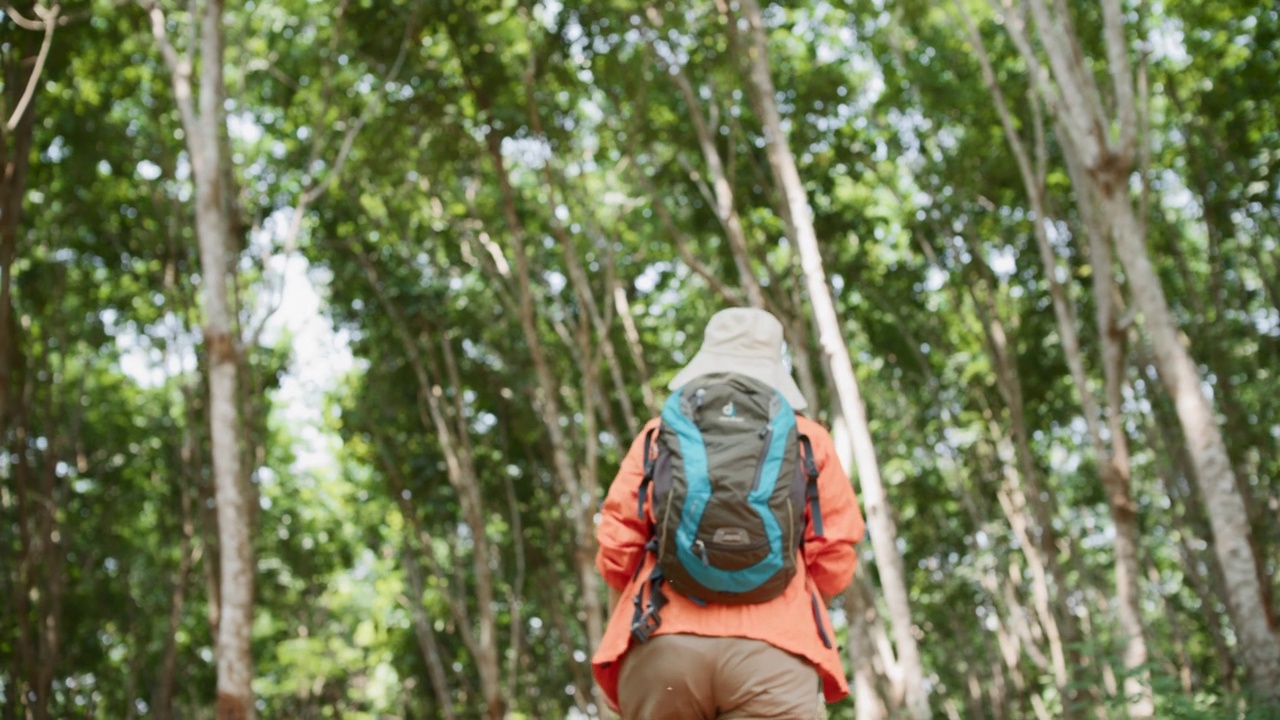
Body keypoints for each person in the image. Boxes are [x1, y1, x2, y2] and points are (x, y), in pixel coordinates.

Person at [592, 307, 866, 720]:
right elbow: (833, 562)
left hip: (662, 647)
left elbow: (617, 549)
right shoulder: (809, 440)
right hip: (775, 657)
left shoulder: (658, 435)